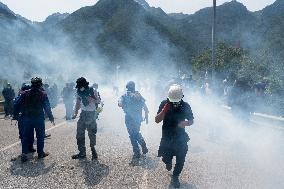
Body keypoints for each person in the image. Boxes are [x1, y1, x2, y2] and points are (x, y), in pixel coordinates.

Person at [155, 84, 194, 188]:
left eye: (176, 101)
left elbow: (191, 121)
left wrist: (185, 123)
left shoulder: (186, 106)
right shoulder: (164, 103)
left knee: (181, 158)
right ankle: (168, 161)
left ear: (181, 97)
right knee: (166, 158)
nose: (174, 103)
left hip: (180, 138)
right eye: (173, 101)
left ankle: (175, 176)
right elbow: (157, 120)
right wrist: (164, 110)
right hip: (167, 137)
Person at [14, 77, 55, 162]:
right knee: (40, 136)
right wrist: (51, 117)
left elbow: (17, 104)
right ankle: (40, 153)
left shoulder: (25, 93)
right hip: (39, 118)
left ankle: (24, 154)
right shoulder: (43, 94)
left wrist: (15, 115)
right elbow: (47, 107)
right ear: (40, 84)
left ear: (31, 84)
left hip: (27, 118)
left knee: (25, 136)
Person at [118, 81, 149, 162]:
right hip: (137, 117)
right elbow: (145, 106)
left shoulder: (126, 95)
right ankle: (141, 142)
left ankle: (137, 152)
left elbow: (119, 103)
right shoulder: (137, 95)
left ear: (127, 87)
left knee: (132, 134)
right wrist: (146, 115)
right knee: (135, 132)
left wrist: (121, 102)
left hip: (129, 118)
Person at [72, 77, 100, 160]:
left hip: (91, 114)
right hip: (83, 114)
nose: (80, 87)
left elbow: (99, 101)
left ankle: (93, 151)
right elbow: (78, 103)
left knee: (91, 133)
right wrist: (75, 113)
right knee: (79, 133)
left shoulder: (92, 90)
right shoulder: (79, 92)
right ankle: (82, 153)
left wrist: (92, 99)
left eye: (81, 85)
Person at [13, 83, 36, 156]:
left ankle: (26, 150)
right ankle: (28, 149)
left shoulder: (21, 96)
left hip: (24, 118)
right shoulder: (29, 96)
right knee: (28, 134)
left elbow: (15, 105)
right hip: (26, 117)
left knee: (25, 134)